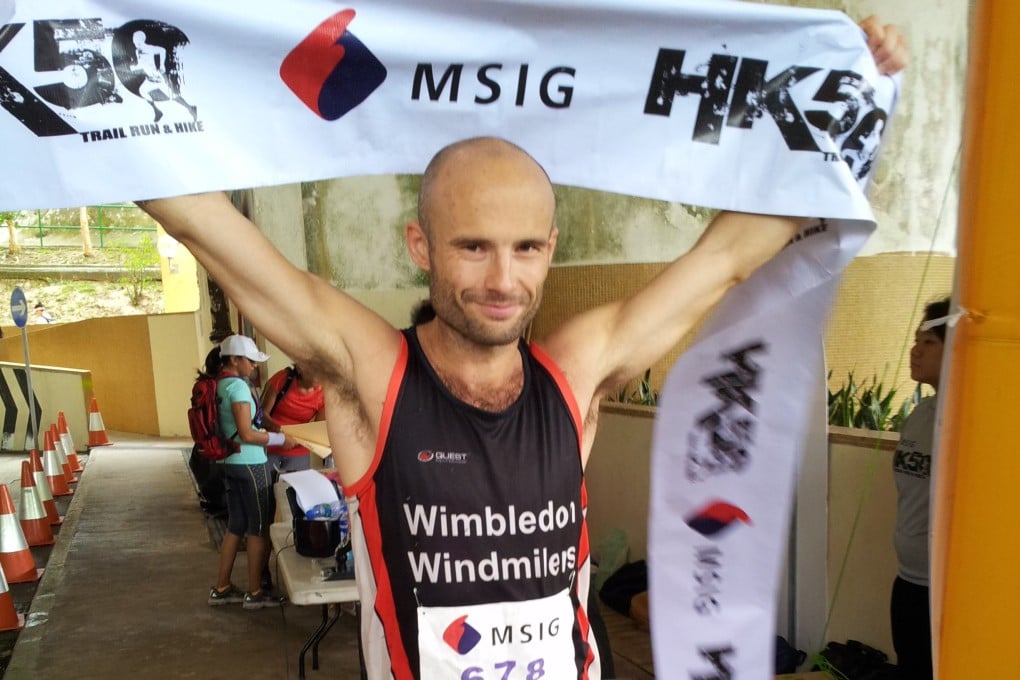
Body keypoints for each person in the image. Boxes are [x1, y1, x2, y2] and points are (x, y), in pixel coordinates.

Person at [140, 20, 906, 677]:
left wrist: (841, 103)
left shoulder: (575, 369)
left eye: (526, 248)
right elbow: (203, 225)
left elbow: (725, 258)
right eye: (472, 247)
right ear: (422, 245)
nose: (503, 279)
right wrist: (95, 100)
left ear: (551, 247)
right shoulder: (372, 371)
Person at [203, 334, 296, 610]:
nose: (254, 366)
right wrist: (281, 440)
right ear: (234, 360)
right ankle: (255, 592)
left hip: (231, 463)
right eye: (251, 360)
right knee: (258, 528)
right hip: (251, 464)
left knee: (236, 526)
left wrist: (274, 429)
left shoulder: (219, 385)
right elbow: (246, 433)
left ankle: (222, 587)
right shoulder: (239, 389)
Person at [890, 296, 949, 680]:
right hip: (908, 579)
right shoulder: (918, 415)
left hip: (948, 590)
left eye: (929, 343)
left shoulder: (968, 419)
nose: (915, 350)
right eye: (916, 340)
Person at [260, 363, 325, 475]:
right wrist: (280, 432)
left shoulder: (324, 393)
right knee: (267, 489)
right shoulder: (283, 378)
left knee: (294, 490)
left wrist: (297, 440)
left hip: (299, 450)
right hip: (271, 445)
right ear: (300, 368)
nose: (320, 377)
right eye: (315, 371)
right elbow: (262, 414)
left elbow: (317, 429)